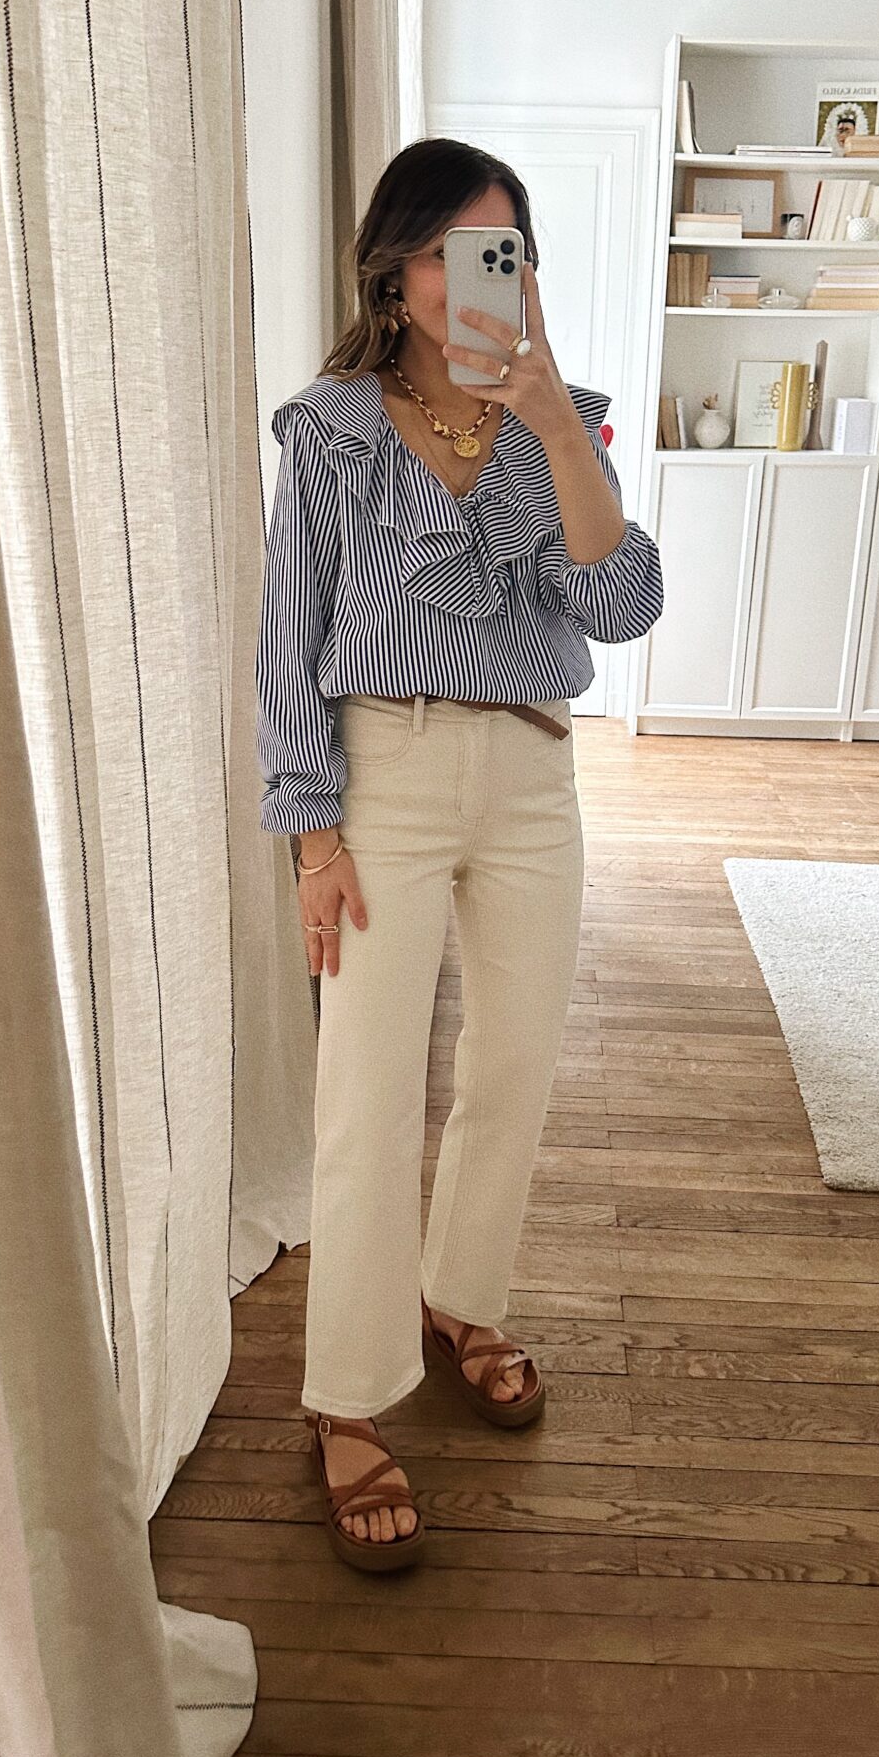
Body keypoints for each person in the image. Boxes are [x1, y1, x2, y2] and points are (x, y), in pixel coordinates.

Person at [254, 137, 665, 1570]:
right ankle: (348, 1395)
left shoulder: (567, 422)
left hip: (536, 769)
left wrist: (551, 418)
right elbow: (289, 638)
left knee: (516, 1064)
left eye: (499, 251)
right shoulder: (333, 429)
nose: (467, 277)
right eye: (442, 251)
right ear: (393, 270)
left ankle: (462, 1298)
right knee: (367, 1088)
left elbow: (621, 607)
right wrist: (311, 834)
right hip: (391, 774)